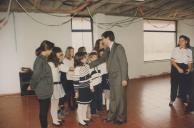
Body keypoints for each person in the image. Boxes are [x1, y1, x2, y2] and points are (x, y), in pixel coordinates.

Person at [90, 31, 129, 125]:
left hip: (119, 77)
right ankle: (111, 116)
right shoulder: (108, 49)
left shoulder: (118, 47)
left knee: (120, 98)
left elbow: (124, 63)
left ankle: (121, 118)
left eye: (103, 38)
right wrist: (89, 64)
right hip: (111, 76)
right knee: (113, 98)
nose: (102, 40)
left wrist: (124, 78)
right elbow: (101, 59)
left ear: (108, 38)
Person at [30, 40, 54, 128]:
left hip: (46, 89)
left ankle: (45, 125)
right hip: (42, 90)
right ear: (47, 49)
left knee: (45, 110)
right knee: (43, 111)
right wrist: (32, 86)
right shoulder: (40, 60)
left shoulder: (43, 59)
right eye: (51, 50)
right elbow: (36, 76)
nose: (51, 52)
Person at [169, 35, 192, 106]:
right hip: (176, 67)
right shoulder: (175, 49)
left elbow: (189, 62)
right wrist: (178, 68)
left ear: (186, 41)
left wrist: (189, 69)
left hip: (184, 67)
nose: (180, 42)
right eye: (179, 40)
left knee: (183, 85)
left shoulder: (189, 51)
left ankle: (184, 99)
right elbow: (172, 61)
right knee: (174, 85)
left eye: (182, 40)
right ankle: (172, 100)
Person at [73, 52, 92, 126]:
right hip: (81, 89)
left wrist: (91, 86)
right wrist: (76, 92)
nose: (86, 58)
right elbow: (75, 81)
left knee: (86, 104)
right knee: (81, 105)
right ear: (80, 59)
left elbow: (89, 77)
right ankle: (80, 120)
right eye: (84, 57)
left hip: (87, 88)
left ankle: (84, 117)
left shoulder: (86, 66)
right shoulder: (77, 68)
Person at [48, 47, 66, 126]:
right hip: (53, 85)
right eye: (59, 52)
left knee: (56, 103)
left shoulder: (57, 62)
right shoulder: (50, 63)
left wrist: (61, 61)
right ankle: (54, 121)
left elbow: (66, 69)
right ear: (55, 53)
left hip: (58, 84)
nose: (61, 54)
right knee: (54, 104)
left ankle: (56, 119)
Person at [59, 46, 76, 117]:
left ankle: (71, 106)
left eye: (73, 51)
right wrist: (75, 68)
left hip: (72, 78)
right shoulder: (65, 60)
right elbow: (68, 69)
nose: (73, 52)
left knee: (72, 93)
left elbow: (73, 67)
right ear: (68, 52)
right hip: (66, 79)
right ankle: (61, 106)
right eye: (71, 51)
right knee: (67, 94)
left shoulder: (73, 59)